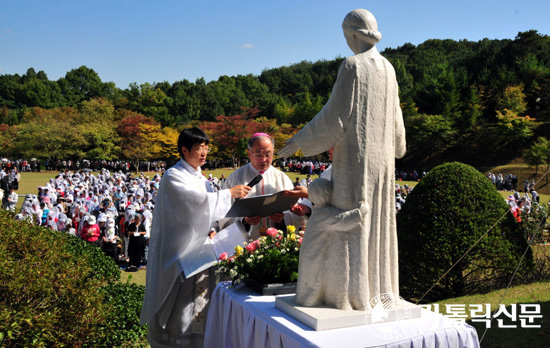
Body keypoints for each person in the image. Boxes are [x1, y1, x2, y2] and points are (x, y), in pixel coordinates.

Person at [278, 9, 406, 311]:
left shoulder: (353, 66)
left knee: (354, 222)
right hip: (383, 161)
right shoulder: (388, 68)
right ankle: (380, 289)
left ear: (350, 33)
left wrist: (300, 140)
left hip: (356, 161)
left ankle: (350, 294)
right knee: (376, 221)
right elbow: (397, 118)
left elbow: (335, 116)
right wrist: (397, 145)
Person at [140, 127, 251, 348]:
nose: (204, 153)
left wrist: (213, 227)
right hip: (181, 252)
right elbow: (194, 205)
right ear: (184, 150)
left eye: (206, 148)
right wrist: (229, 194)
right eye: (199, 148)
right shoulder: (174, 176)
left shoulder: (201, 178)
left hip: (202, 251)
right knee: (182, 305)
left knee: (201, 303)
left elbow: (208, 212)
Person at [222, 132, 312, 240]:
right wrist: (245, 221)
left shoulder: (282, 178)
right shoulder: (235, 178)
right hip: (246, 243)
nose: (264, 159)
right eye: (259, 155)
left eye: (268, 154)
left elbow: (296, 215)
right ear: (249, 153)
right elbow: (223, 215)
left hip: (275, 242)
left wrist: (282, 219)